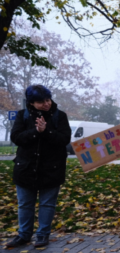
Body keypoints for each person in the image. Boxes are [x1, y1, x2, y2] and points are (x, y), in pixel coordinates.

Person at [6, 85, 71, 248]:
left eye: (48, 100)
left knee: (47, 204)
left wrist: (46, 131)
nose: (46, 104)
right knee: (24, 204)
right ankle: (24, 235)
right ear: (32, 103)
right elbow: (16, 137)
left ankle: (42, 235)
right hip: (25, 169)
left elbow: (64, 139)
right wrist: (36, 131)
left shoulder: (59, 116)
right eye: (41, 102)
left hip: (52, 169)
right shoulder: (23, 116)